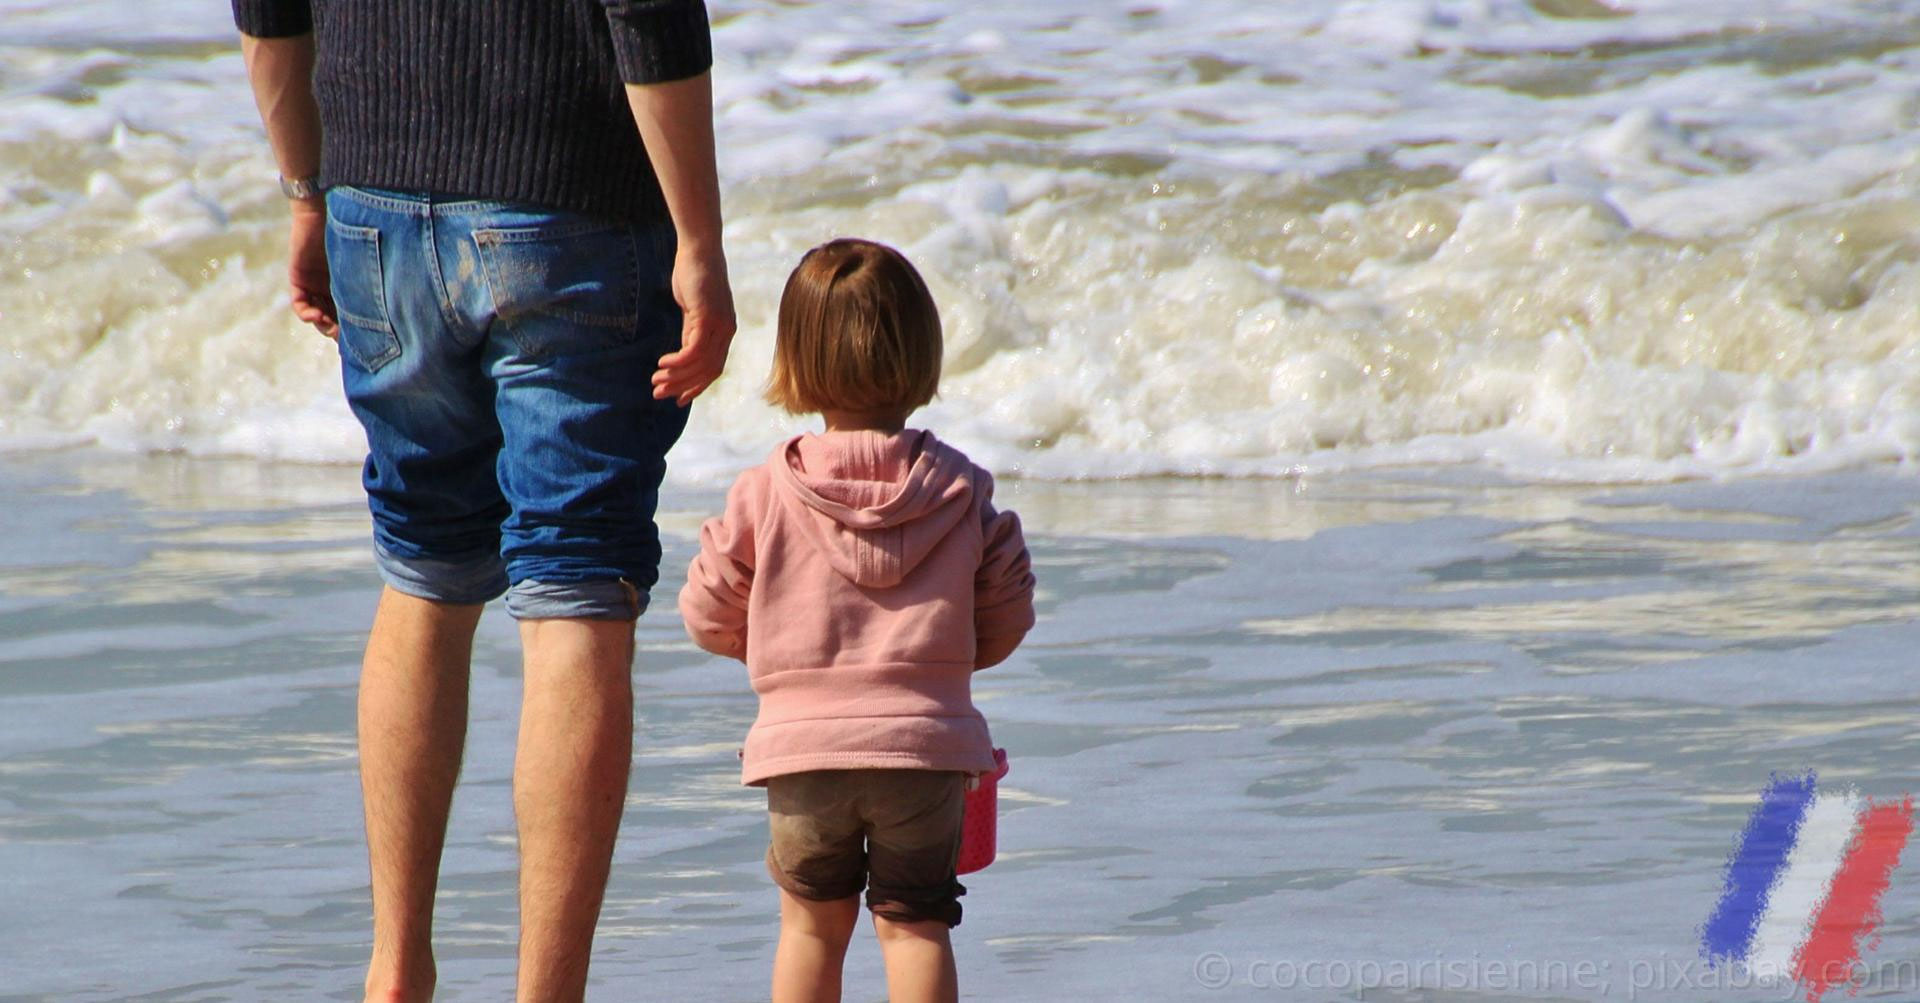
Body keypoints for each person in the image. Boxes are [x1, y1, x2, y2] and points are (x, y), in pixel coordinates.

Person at [229, 0, 735, 999]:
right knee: (576, 582)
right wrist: (699, 242)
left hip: (372, 190)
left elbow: (267, 8)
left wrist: (305, 191)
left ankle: (395, 970)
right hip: (569, 188)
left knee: (423, 564)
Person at [678, 238, 1036, 1003]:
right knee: (917, 926)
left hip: (801, 750)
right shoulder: (962, 489)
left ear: (795, 358)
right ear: (923, 351)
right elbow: (1008, 612)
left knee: (812, 927)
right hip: (926, 748)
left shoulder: (764, 491)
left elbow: (707, 613)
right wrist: (944, 665)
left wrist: (776, 651)